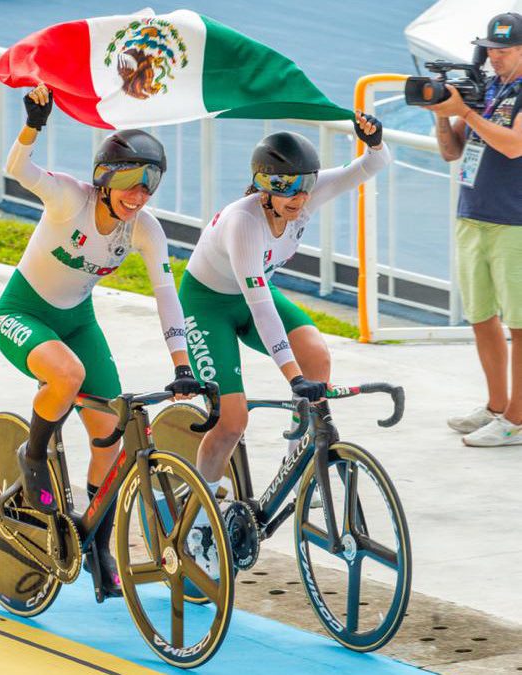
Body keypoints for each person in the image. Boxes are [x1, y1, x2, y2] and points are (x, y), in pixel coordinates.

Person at [0, 83, 201, 596]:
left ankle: (97, 545)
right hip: (22, 312)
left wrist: (182, 366)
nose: (140, 194)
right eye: (131, 181)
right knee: (67, 374)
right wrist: (34, 125)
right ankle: (33, 454)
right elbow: (17, 170)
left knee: (111, 435)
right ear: (105, 179)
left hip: (78, 322)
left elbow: (166, 296)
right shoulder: (70, 200)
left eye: (150, 183)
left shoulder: (146, 230)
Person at [178, 112, 390, 573]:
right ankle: (194, 522)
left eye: (305, 186)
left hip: (254, 293)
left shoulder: (305, 197)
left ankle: (299, 459)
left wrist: (373, 142)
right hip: (210, 303)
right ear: (263, 187)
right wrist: (292, 378)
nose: (298, 197)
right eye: (286, 188)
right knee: (232, 421)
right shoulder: (243, 222)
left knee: (317, 353)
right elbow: (260, 307)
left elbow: (368, 168)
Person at [426, 12, 522, 447]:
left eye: (503, 49)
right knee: (482, 317)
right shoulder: (489, 89)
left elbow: (513, 145)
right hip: (473, 215)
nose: (493, 56)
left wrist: (463, 108)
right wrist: (443, 115)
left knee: (519, 325)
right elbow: (452, 152)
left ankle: (517, 420)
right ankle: (496, 406)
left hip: (513, 222)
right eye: (490, 48)